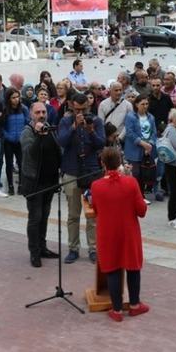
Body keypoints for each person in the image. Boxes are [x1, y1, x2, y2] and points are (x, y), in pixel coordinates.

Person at [89, 147, 149, 322]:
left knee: (113, 269)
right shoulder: (131, 183)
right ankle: (135, 305)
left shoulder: (96, 186)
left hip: (108, 233)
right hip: (128, 233)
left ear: (103, 164)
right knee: (133, 268)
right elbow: (142, 210)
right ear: (120, 163)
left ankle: (116, 310)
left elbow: (96, 209)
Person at [58, 93, 105, 264]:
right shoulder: (65, 121)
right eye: (77, 109)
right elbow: (62, 142)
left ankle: (93, 248)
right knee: (73, 214)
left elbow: (101, 144)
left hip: (91, 172)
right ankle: (73, 248)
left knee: (92, 215)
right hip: (71, 171)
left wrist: (91, 132)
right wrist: (73, 127)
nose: (80, 112)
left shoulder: (96, 121)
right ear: (71, 106)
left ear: (88, 105)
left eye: (83, 109)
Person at [20, 102, 62, 267]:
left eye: (44, 111)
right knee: (35, 218)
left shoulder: (49, 129)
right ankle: (34, 252)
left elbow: (57, 151)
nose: (41, 115)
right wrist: (38, 135)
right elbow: (30, 153)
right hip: (34, 183)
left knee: (44, 217)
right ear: (31, 114)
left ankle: (43, 247)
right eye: (38, 112)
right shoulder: (27, 132)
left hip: (49, 181)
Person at [123, 94, 158, 201]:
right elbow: (129, 132)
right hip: (134, 149)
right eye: (142, 104)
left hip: (147, 150)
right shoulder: (130, 116)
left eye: (147, 104)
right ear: (137, 104)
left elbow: (154, 132)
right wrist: (142, 143)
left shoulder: (151, 117)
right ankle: (134, 196)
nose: (145, 106)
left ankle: (141, 195)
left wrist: (150, 144)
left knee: (144, 174)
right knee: (135, 173)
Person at [2, 88, 29, 194]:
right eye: (13, 97)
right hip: (8, 141)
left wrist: (23, 135)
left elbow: (28, 123)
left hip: (20, 141)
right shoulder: (5, 110)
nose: (16, 99)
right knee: (9, 164)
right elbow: (2, 127)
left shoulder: (24, 109)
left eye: (18, 97)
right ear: (8, 99)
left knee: (22, 164)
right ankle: (10, 186)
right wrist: (7, 136)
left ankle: (21, 185)